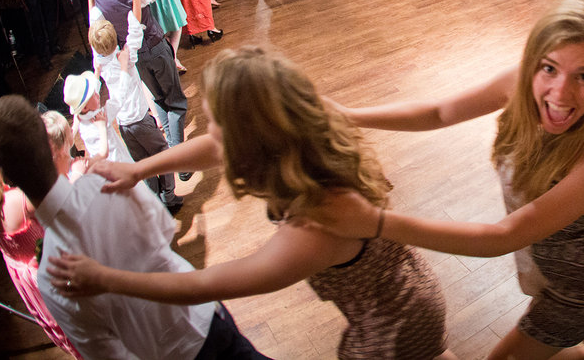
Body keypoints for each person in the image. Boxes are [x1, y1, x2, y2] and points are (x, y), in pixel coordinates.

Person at [47, 48, 453, 360]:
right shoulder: (299, 133)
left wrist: (106, 279)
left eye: (216, 119)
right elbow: (217, 147)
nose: (211, 128)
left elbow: (206, 284)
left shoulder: (315, 226)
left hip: (396, 327)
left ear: (249, 134)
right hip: (407, 295)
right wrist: (140, 170)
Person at [345, 0, 584, 360]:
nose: (560, 92)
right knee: (558, 333)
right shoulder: (517, 83)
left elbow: (504, 236)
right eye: (549, 68)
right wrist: (346, 115)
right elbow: (438, 112)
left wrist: (375, 222)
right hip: (539, 256)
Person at [0, 95, 265, 360]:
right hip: (201, 316)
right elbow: (164, 230)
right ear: (48, 145)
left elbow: (108, 354)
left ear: (7, 176)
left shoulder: (49, 276)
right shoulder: (104, 180)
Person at [0, 134, 82, 359]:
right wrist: (76, 174)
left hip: (31, 285)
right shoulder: (18, 201)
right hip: (52, 273)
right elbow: (64, 202)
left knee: (67, 333)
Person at [87, 0, 187, 210]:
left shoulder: (98, 1)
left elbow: (97, 23)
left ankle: (165, 171)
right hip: (152, 47)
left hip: (130, 62)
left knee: (158, 99)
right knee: (176, 102)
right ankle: (179, 160)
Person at [89, 0, 183, 200]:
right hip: (141, 120)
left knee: (141, 164)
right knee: (162, 155)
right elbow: (135, 28)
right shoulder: (127, 58)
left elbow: (95, 36)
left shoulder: (100, 64)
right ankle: (169, 196)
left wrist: (91, 1)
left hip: (124, 126)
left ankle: (155, 197)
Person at [63, 70, 132, 165]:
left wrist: (97, 71)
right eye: (94, 95)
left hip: (102, 169)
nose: (97, 95)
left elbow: (92, 94)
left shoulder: (79, 117)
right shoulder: (101, 116)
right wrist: (124, 69)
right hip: (120, 164)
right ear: (85, 107)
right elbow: (120, 96)